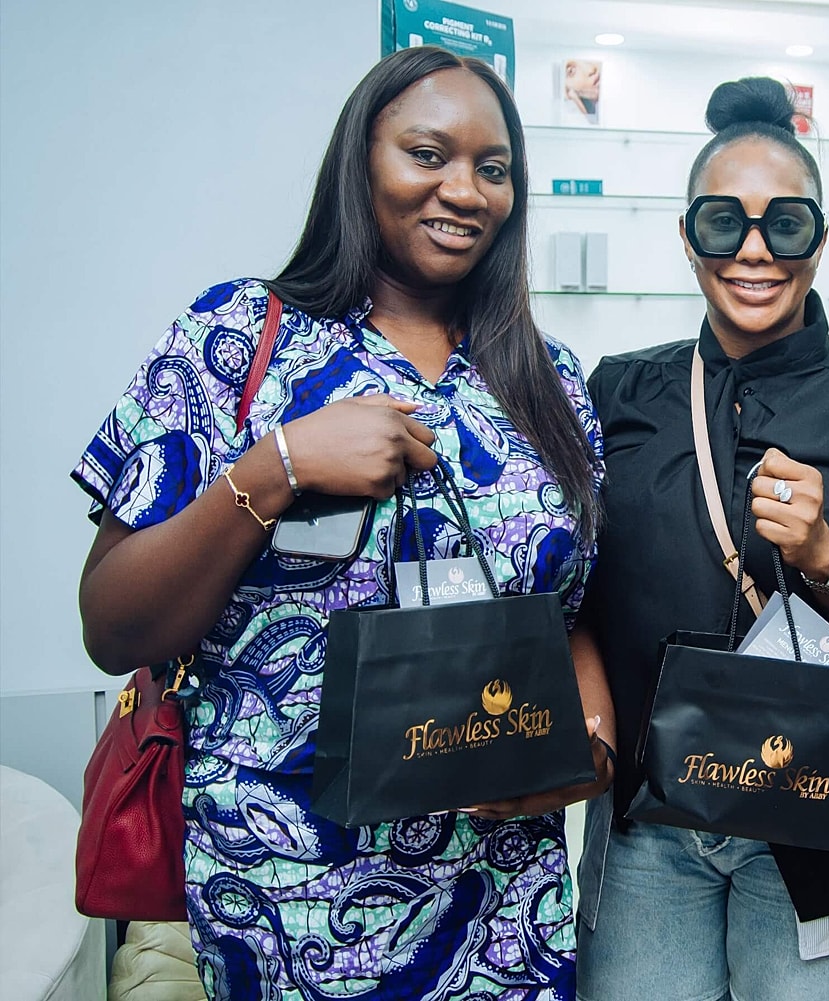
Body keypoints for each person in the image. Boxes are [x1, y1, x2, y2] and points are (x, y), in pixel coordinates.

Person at [74, 47, 614, 1000]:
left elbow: (569, 613)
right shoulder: (235, 335)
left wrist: (590, 750)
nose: (465, 191)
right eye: (427, 154)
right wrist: (277, 467)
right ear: (360, 162)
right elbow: (112, 625)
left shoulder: (551, 378)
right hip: (288, 900)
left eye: (493, 168)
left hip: (506, 906)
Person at [573, 77, 829, 1001]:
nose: (754, 251)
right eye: (724, 223)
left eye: (785, 225)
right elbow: (576, 590)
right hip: (653, 827)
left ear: (819, 238)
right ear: (686, 235)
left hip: (823, 826)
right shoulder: (620, 390)